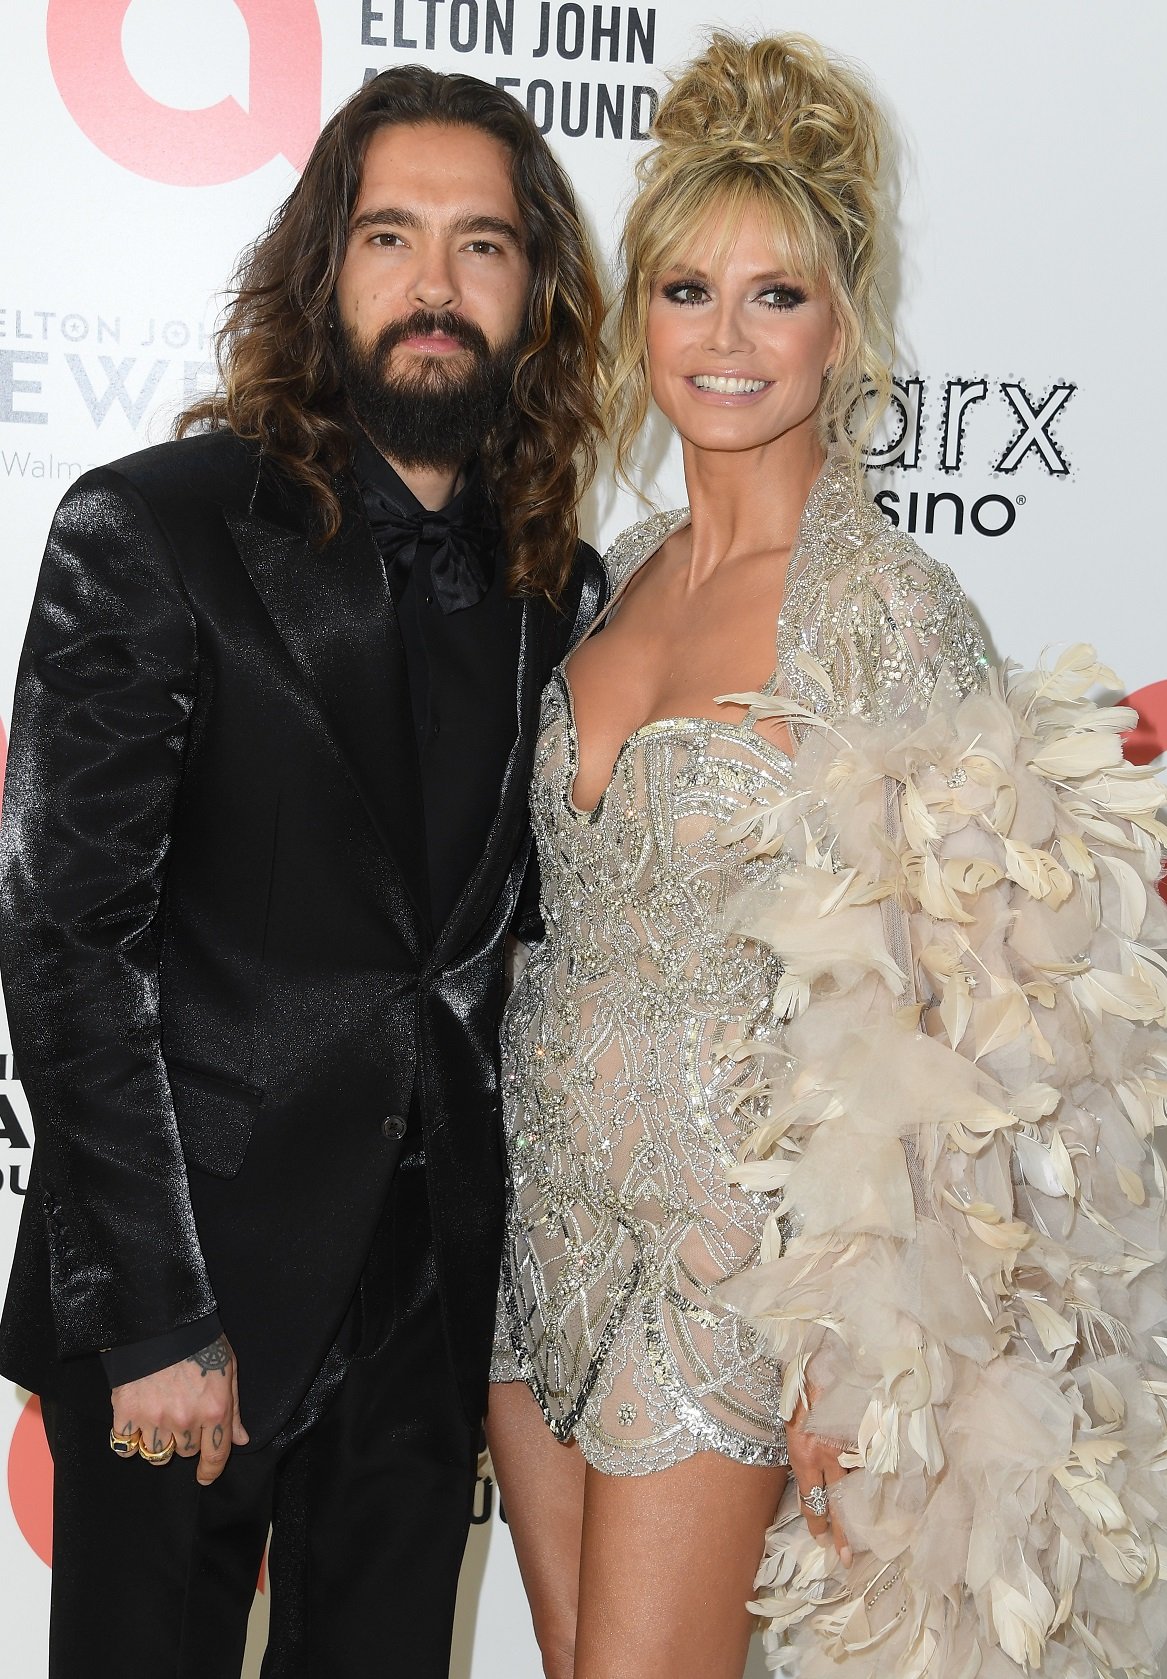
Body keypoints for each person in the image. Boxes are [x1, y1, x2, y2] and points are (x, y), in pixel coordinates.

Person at [486, 32, 1167, 1679]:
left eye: (776, 296)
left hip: (735, 1273)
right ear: (638, 316)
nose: (724, 338)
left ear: (846, 326)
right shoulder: (615, 578)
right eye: (685, 289)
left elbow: (982, 1020)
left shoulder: (892, 615)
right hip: (541, 1248)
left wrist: (873, 1353)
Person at [0, 65, 605, 1679]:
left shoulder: (564, 590)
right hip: (186, 1298)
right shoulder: (152, 529)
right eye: (389, 236)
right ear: (319, 269)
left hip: (420, 1321)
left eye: (481, 247)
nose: (434, 288)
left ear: (534, 294)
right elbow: (69, 934)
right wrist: (151, 1317)